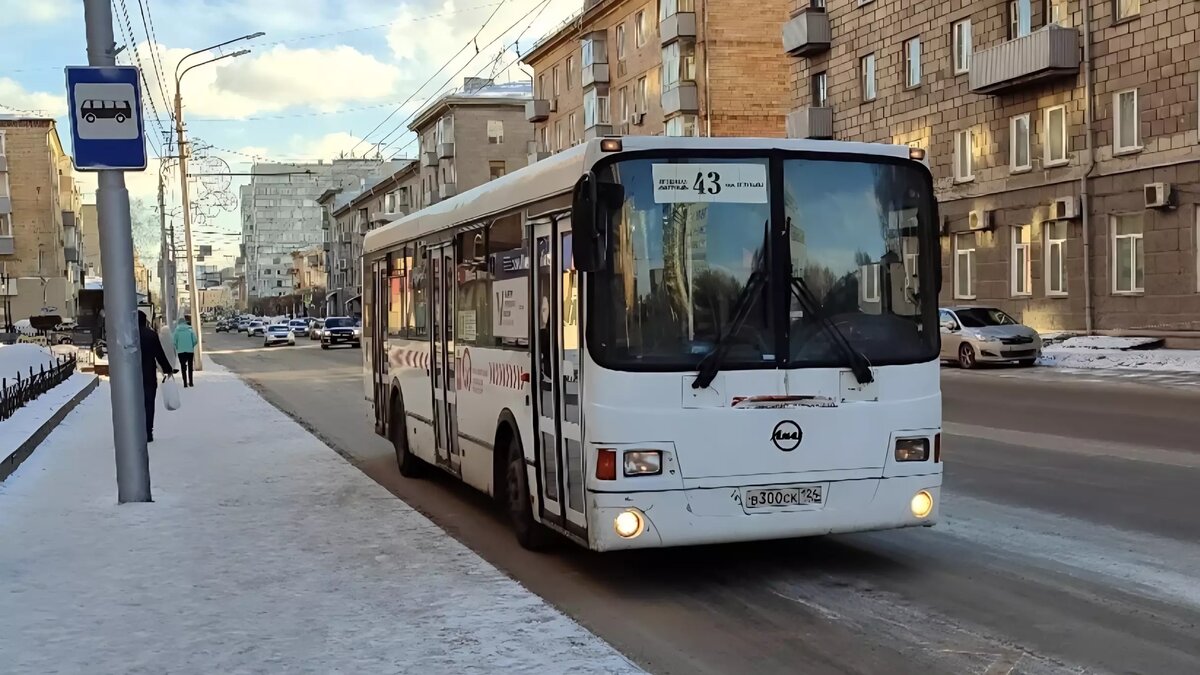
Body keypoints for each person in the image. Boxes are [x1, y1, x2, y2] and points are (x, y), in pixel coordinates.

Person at [139, 310, 176, 442]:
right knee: (149, 404)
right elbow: (159, 355)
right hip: (148, 375)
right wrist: (168, 369)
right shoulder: (151, 335)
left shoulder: (128, 335)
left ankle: (134, 431)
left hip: (131, 378)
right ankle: (148, 432)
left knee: (133, 404)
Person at [173, 316, 198, 387]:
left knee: (183, 367)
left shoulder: (177, 331)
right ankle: (191, 382)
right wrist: (191, 345)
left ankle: (184, 383)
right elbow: (195, 340)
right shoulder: (190, 330)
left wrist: (178, 347)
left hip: (181, 352)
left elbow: (174, 341)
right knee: (190, 366)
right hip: (190, 351)